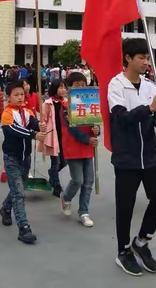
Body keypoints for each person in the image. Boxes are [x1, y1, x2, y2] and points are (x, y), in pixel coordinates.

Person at [108, 38, 156, 277]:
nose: (147, 62)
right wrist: (150, 109)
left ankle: (142, 242)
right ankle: (123, 251)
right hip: (127, 158)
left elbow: (155, 117)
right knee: (125, 206)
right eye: (142, 58)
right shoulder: (116, 85)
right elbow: (121, 119)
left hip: (150, 157)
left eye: (148, 58)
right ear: (128, 58)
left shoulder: (149, 86)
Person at [0, 80, 45, 244]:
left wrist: (40, 125)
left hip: (25, 158)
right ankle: (24, 228)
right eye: (16, 95)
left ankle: (5, 208)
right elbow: (13, 130)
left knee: (17, 188)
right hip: (11, 158)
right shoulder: (7, 114)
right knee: (19, 192)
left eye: (21, 94)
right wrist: (33, 134)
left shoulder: (27, 112)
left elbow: (34, 124)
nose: (20, 97)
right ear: (8, 97)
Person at [60, 71, 99, 228]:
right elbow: (72, 129)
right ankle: (66, 197)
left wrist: (96, 130)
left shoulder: (90, 102)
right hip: (73, 147)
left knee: (88, 182)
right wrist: (87, 139)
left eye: (83, 85)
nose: (81, 88)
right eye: (77, 85)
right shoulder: (65, 106)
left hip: (88, 147)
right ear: (69, 87)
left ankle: (84, 212)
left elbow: (94, 123)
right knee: (78, 180)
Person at [40, 79, 68, 197]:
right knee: (56, 161)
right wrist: (42, 126)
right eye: (60, 87)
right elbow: (43, 119)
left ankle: (52, 174)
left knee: (64, 162)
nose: (63, 90)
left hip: (65, 136)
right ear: (54, 88)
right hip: (53, 136)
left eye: (64, 87)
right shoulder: (47, 103)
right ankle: (57, 186)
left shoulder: (67, 102)